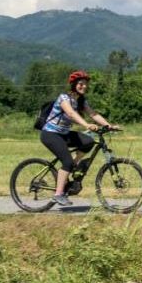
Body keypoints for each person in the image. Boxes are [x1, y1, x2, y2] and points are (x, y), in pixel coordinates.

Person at [40, 70, 118, 206]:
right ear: (74, 85)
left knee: (88, 141)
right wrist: (86, 125)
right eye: (81, 84)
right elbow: (70, 113)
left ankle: (74, 164)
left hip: (64, 134)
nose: (84, 86)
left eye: (86, 84)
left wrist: (109, 126)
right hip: (50, 134)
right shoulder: (64, 98)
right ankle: (58, 194)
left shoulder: (81, 101)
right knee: (67, 162)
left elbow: (93, 114)